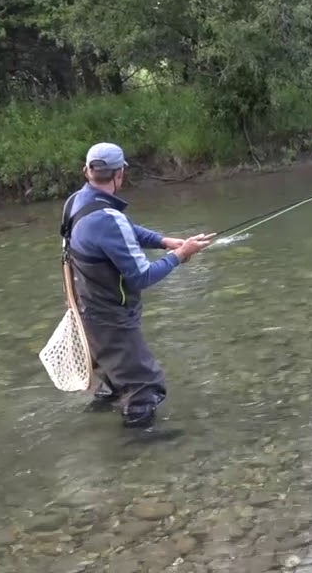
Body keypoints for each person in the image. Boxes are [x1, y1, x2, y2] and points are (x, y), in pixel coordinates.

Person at [59, 141, 213, 430]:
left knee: (116, 377)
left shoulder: (76, 202)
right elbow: (142, 277)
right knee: (145, 386)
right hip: (110, 319)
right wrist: (180, 255)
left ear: (86, 171)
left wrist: (165, 242)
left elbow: (123, 230)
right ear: (120, 174)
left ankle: (101, 412)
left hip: (84, 310)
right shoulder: (107, 219)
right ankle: (137, 444)